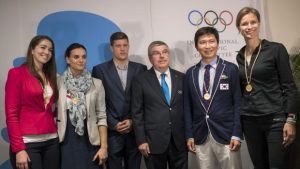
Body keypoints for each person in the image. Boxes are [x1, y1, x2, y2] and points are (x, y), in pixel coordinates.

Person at [236, 7, 298, 169]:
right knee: (259, 166)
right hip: (249, 120)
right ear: (239, 28)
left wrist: (291, 119)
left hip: (275, 119)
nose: (249, 27)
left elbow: (289, 86)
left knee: (278, 166)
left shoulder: (276, 49)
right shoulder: (240, 55)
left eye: (253, 22)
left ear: (259, 24)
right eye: (244, 24)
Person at [184, 27, 243, 169]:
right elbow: (187, 107)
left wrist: (236, 134)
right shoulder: (190, 73)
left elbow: (238, 103)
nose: (207, 46)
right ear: (197, 46)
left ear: (217, 43)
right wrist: (189, 135)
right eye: (202, 42)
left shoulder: (230, 69)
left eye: (211, 41)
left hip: (227, 134)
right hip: (200, 135)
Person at [92, 32, 146, 169]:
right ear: (111, 48)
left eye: (125, 45)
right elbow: (98, 102)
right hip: (112, 133)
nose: (122, 49)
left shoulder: (141, 69)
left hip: (135, 133)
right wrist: (113, 123)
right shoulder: (100, 70)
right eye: (118, 46)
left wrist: (133, 121)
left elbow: (145, 100)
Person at [5, 35, 59, 169]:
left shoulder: (51, 76)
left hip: (51, 140)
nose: (47, 52)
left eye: (50, 50)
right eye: (43, 47)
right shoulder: (17, 73)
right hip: (27, 143)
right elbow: (11, 114)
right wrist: (18, 149)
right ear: (32, 50)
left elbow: (51, 109)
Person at [131, 41, 188, 169]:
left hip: (179, 141)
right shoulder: (140, 80)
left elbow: (187, 110)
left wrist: (189, 136)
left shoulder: (182, 78)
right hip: (153, 142)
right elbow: (137, 113)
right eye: (156, 53)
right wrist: (141, 140)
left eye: (165, 52)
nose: (162, 56)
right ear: (151, 58)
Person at [57, 43, 108, 169]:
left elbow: (101, 116)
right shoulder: (58, 83)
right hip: (66, 141)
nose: (81, 60)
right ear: (67, 59)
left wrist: (104, 147)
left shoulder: (96, 83)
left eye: (84, 57)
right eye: (76, 57)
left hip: (90, 141)